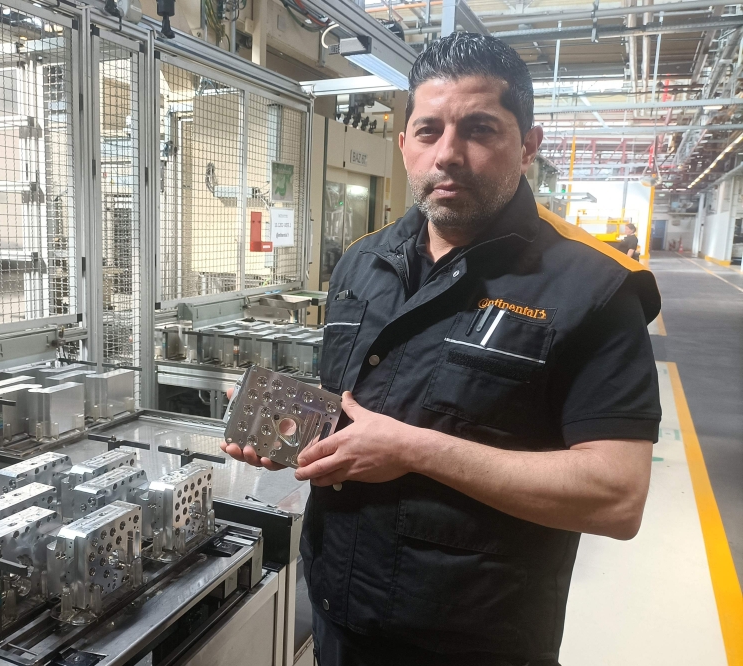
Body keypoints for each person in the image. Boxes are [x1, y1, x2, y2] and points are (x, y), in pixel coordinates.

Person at [221, 32, 661, 666]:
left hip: (476, 643)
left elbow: (615, 497)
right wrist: (295, 430)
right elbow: (356, 413)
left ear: (528, 146)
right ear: (404, 144)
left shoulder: (595, 288)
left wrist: (413, 450)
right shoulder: (362, 264)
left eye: (480, 129)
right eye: (428, 131)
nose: (448, 154)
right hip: (340, 619)